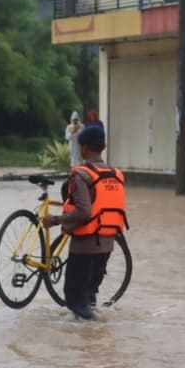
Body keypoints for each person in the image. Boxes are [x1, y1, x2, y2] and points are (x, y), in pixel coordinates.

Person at [43, 126, 127, 321]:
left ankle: (93, 338)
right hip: (107, 245)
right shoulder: (115, 174)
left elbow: (83, 211)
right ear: (103, 146)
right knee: (88, 300)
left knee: (75, 301)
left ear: (84, 149)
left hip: (84, 247)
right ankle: (96, 344)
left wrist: (55, 220)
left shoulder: (81, 174)